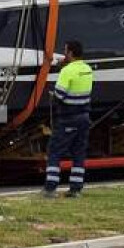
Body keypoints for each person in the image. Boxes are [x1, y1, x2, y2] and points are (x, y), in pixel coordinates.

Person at [43, 40, 94, 198]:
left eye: (65, 51)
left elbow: (60, 95)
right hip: (84, 117)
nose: (64, 54)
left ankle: (50, 188)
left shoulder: (67, 71)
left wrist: (52, 95)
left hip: (68, 118)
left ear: (70, 53)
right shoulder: (88, 69)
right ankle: (76, 189)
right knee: (78, 154)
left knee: (54, 152)